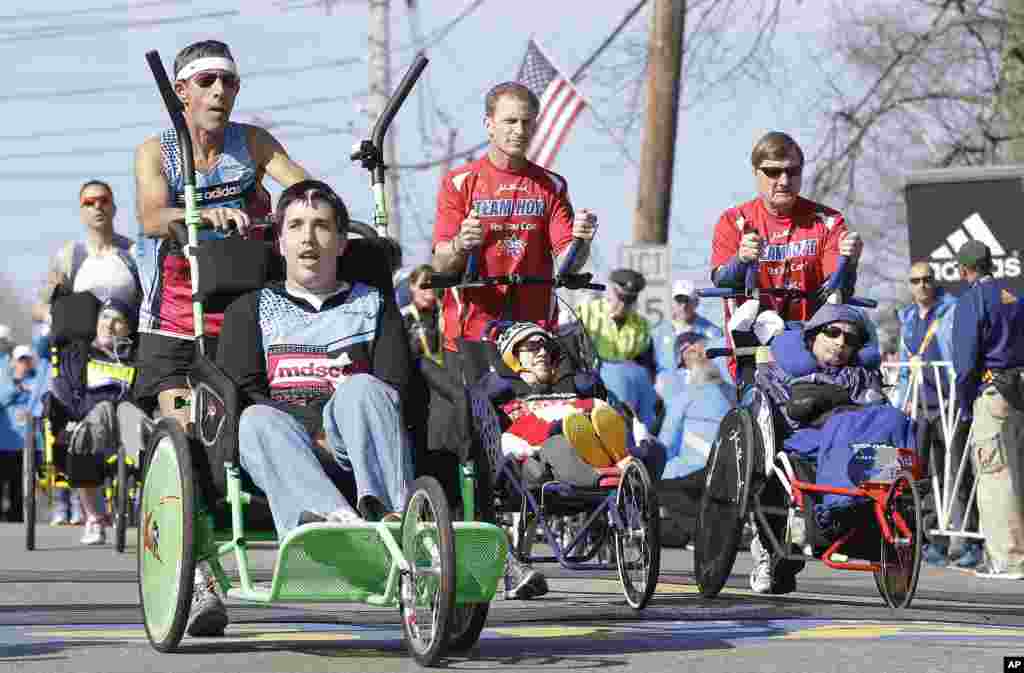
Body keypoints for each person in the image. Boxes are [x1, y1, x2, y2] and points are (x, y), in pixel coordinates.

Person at [133, 39, 309, 431]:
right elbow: (151, 218)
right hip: (176, 316)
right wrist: (203, 215)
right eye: (207, 80)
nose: (219, 91)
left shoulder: (252, 142)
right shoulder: (155, 151)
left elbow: (305, 190)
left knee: (245, 421)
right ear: (181, 91)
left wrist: (312, 217)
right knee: (187, 425)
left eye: (229, 82)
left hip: (243, 309)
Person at [219, 179, 413, 534]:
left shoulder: (374, 305)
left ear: (341, 244)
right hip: (289, 443)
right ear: (280, 243)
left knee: (364, 388)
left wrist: (329, 428)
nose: (307, 237)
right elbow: (244, 390)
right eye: (295, 226)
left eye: (321, 226)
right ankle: (332, 521)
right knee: (255, 418)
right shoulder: (250, 310)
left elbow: (395, 385)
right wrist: (312, 428)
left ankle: (390, 516)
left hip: (355, 440)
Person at [481, 321, 666, 599]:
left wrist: (632, 434)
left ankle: (620, 464)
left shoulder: (577, 386)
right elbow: (514, 439)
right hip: (544, 462)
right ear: (514, 355)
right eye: (532, 347)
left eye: (545, 345)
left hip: (595, 443)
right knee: (559, 441)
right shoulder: (508, 396)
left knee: (631, 437)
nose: (542, 351)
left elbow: (613, 415)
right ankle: (613, 470)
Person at [752, 304, 917, 594]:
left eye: (850, 339)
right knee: (844, 424)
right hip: (809, 438)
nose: (841, 342)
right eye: (833, 332)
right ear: (813, 336)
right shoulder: (783, 370)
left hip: (862, 445)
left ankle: (906, 491)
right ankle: (835, 510)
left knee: (894, 418)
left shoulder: (862, 375)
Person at [430, 81, 598, 361]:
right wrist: (461, 243)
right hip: (471, 333)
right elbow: (442, 262)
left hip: (534, 333)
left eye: (527, 122)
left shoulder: (552, 186)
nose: (519, 131)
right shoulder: (459, 182)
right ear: (489, 124)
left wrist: (582, 241)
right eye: (510, 121)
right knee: (477, 406)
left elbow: (569, 261)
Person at [710, 132, 863, 323]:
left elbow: (838, 290)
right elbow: (720, 281)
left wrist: (849, 263)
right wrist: (740, 260)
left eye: (792, 171)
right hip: (752, 343)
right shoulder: (733, 220)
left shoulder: (829, 221)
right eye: (773, 172)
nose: (784, 181)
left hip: (809, 340)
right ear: (755, 172)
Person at [951, 240, 1024, 580]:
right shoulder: (1015, 297)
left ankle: (1007, 559)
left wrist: (965, 403)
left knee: (995, 476)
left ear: (964, 269)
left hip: (993, 392)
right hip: (1019, 389)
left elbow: (965, 364)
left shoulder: (971, 301)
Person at [893, 262, 974, 567]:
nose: (922, 285)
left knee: (961, 471)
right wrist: (903, 401)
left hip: (949, 401)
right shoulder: (909, 317)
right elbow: (904, 365)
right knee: (924, 475)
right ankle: (933, 542)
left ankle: (971, 541)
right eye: (916, 280)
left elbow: (959, 353)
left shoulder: (950, 310)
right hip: (921, 404)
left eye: (927, 279)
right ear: (910, 285)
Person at [49, 298, 137, 546]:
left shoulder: (138, 358)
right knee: (103, 411)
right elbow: (64, 392)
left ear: (128, 329)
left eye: (117, 320)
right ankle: (94, 518)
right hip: (89, 421)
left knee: (129, 414)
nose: (109, 325)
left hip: (128, 423)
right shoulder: (78, 354)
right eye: (104, 318)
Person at [32, 180, 140, 327]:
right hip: (83, 347)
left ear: (114, 208)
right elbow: (39, 308)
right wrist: (58, 320)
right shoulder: (69, 256)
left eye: (104, 200)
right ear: (81, 212)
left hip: (127, 345)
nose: (98, 206)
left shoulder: (134, 253)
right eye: (89, 202)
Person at [576, 269, 658, 429]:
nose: (623, 305)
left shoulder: (641, 325)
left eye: (629, 300)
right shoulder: (586, 312)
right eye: (620, 298)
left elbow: (647, 365)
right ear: (610, 292)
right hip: (592, 380)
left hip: (630, 388)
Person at [659, 333, 735, 479]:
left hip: (691, 481)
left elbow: (664, 450)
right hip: (732, 479)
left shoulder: (683, 400)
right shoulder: (735, 395)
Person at [651, 280, 723, 397]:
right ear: (672, 302)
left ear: (696, 302)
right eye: (679, 301)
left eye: (687, 301)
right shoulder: (658, 332)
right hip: (667, 393)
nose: (683, 306)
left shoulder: (713, 333)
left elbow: (720, 368)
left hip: (701, 391)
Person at [0, 346, 39, 522]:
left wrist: (28, 388)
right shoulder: (4, 379)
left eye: (27, 360)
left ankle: (16, 517)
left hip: (27, 443)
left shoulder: (37, 379)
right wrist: (17, 388)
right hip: (4, 442)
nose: (24, 363)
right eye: (20, 360)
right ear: (13, 362)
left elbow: (40, 400)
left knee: (20, 485)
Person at [401, 264, 443, 366]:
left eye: (432, 286)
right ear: (412, 285)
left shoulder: (444, 313)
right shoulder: (404, 317)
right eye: (424, 286)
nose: (429, 293)